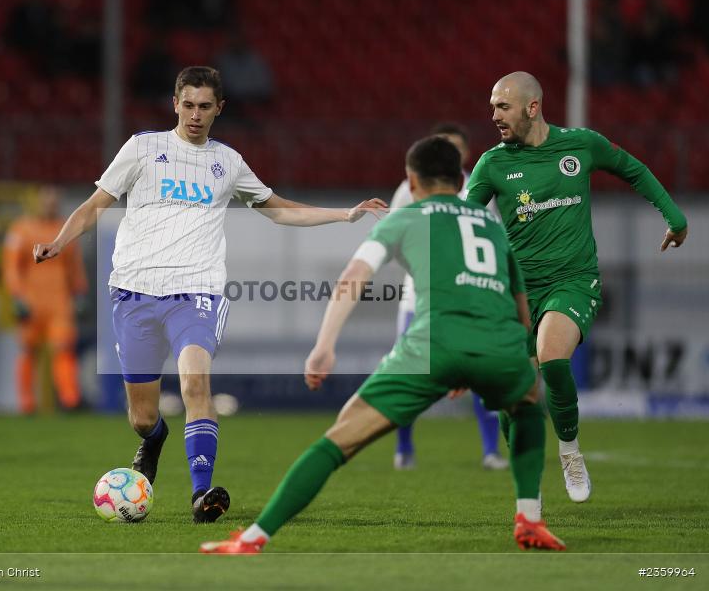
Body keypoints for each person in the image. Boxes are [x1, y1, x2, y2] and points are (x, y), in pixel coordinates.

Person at [33, 66, 386, 523]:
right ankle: (154, 439)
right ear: (174, 103)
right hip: (135, 291)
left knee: (196, 384)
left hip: (196, 292)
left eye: (204, 106)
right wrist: (60, 242)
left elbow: (277, 210)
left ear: (220, 108)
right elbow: (95, 204)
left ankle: (203, 495)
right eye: (188, 105)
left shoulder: (228, 163)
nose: (195, 115)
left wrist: (344, 215)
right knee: (141, 417)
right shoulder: (143, 148)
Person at [200, 136, 564, 553]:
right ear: (459, 176)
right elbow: (519, 301)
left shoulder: (409, 216)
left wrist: (324, 345)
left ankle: (252, 538)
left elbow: (354, 277)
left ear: (412, 180)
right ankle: (530, 519)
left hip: (434, 346)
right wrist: (508, 361)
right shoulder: (491, 225)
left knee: (340, 438)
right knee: (529, 405)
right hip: (500, 346)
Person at [466, 72, 688, 502]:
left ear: (533, 107)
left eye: (502, 106)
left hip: (573, 281)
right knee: (516, 398)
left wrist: (674, 218)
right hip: (517, 292)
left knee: (552, 359)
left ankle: (570, 451)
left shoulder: (581, 145)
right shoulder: (493, 164)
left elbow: (634, 170)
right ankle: (527, 480)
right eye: (492, 106)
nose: (493, 115)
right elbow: (461, 218)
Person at [390, 123, 507, 472]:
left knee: (484, 376)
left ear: (466, 154)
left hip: (470, 298)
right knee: (409, 377)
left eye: (454, 148)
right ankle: (404, 447)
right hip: (418, 299)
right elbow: (395, 237)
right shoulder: (407, 189)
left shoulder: (477, 186)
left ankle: (490, 451)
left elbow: (493, 239)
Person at [3, 185, 88, 414]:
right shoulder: (21, 229)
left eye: (54, 199)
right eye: (46, 199)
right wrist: (17, 296)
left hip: (59, 302)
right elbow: (11, 268)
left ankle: (70, 400)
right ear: (38, 201)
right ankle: (27, 403)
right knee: (28, 350)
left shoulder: (64, 230)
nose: (50, 204)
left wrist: (79, 292)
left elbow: (75, 267)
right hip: (31, 301)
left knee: (63, 349)